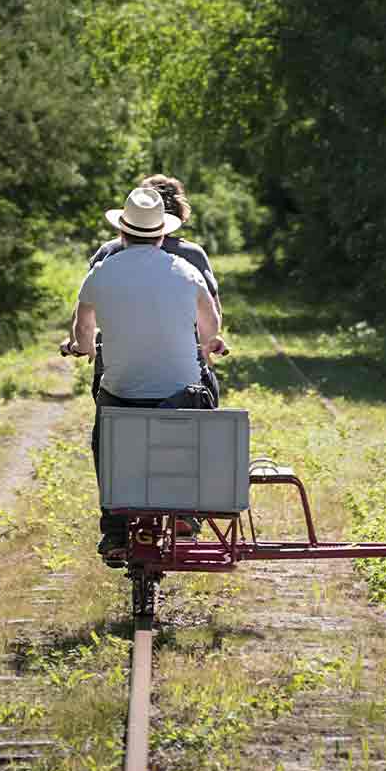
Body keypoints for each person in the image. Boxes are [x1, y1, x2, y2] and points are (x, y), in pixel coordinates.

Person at [64, 187, 223, 561]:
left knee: (104, 442)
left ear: (122, 232)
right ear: (163, 234)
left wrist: (81, 349)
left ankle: (116, 530)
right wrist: (207, 342)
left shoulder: (101, 272)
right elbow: (211, 326)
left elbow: (83, 332)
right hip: (180, 394)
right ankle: (185, 513)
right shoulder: (185, 270)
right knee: (203, 409)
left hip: (122, 394)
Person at [82, 174, 227, 405]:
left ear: (123, 227)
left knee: (107, 421)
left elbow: (83, 320)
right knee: (206, 390)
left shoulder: (107, 255)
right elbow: (213, 320)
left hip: (119, 387)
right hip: (181, 387)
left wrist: (83, 345)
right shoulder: (191, 258)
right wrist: (210, 341)